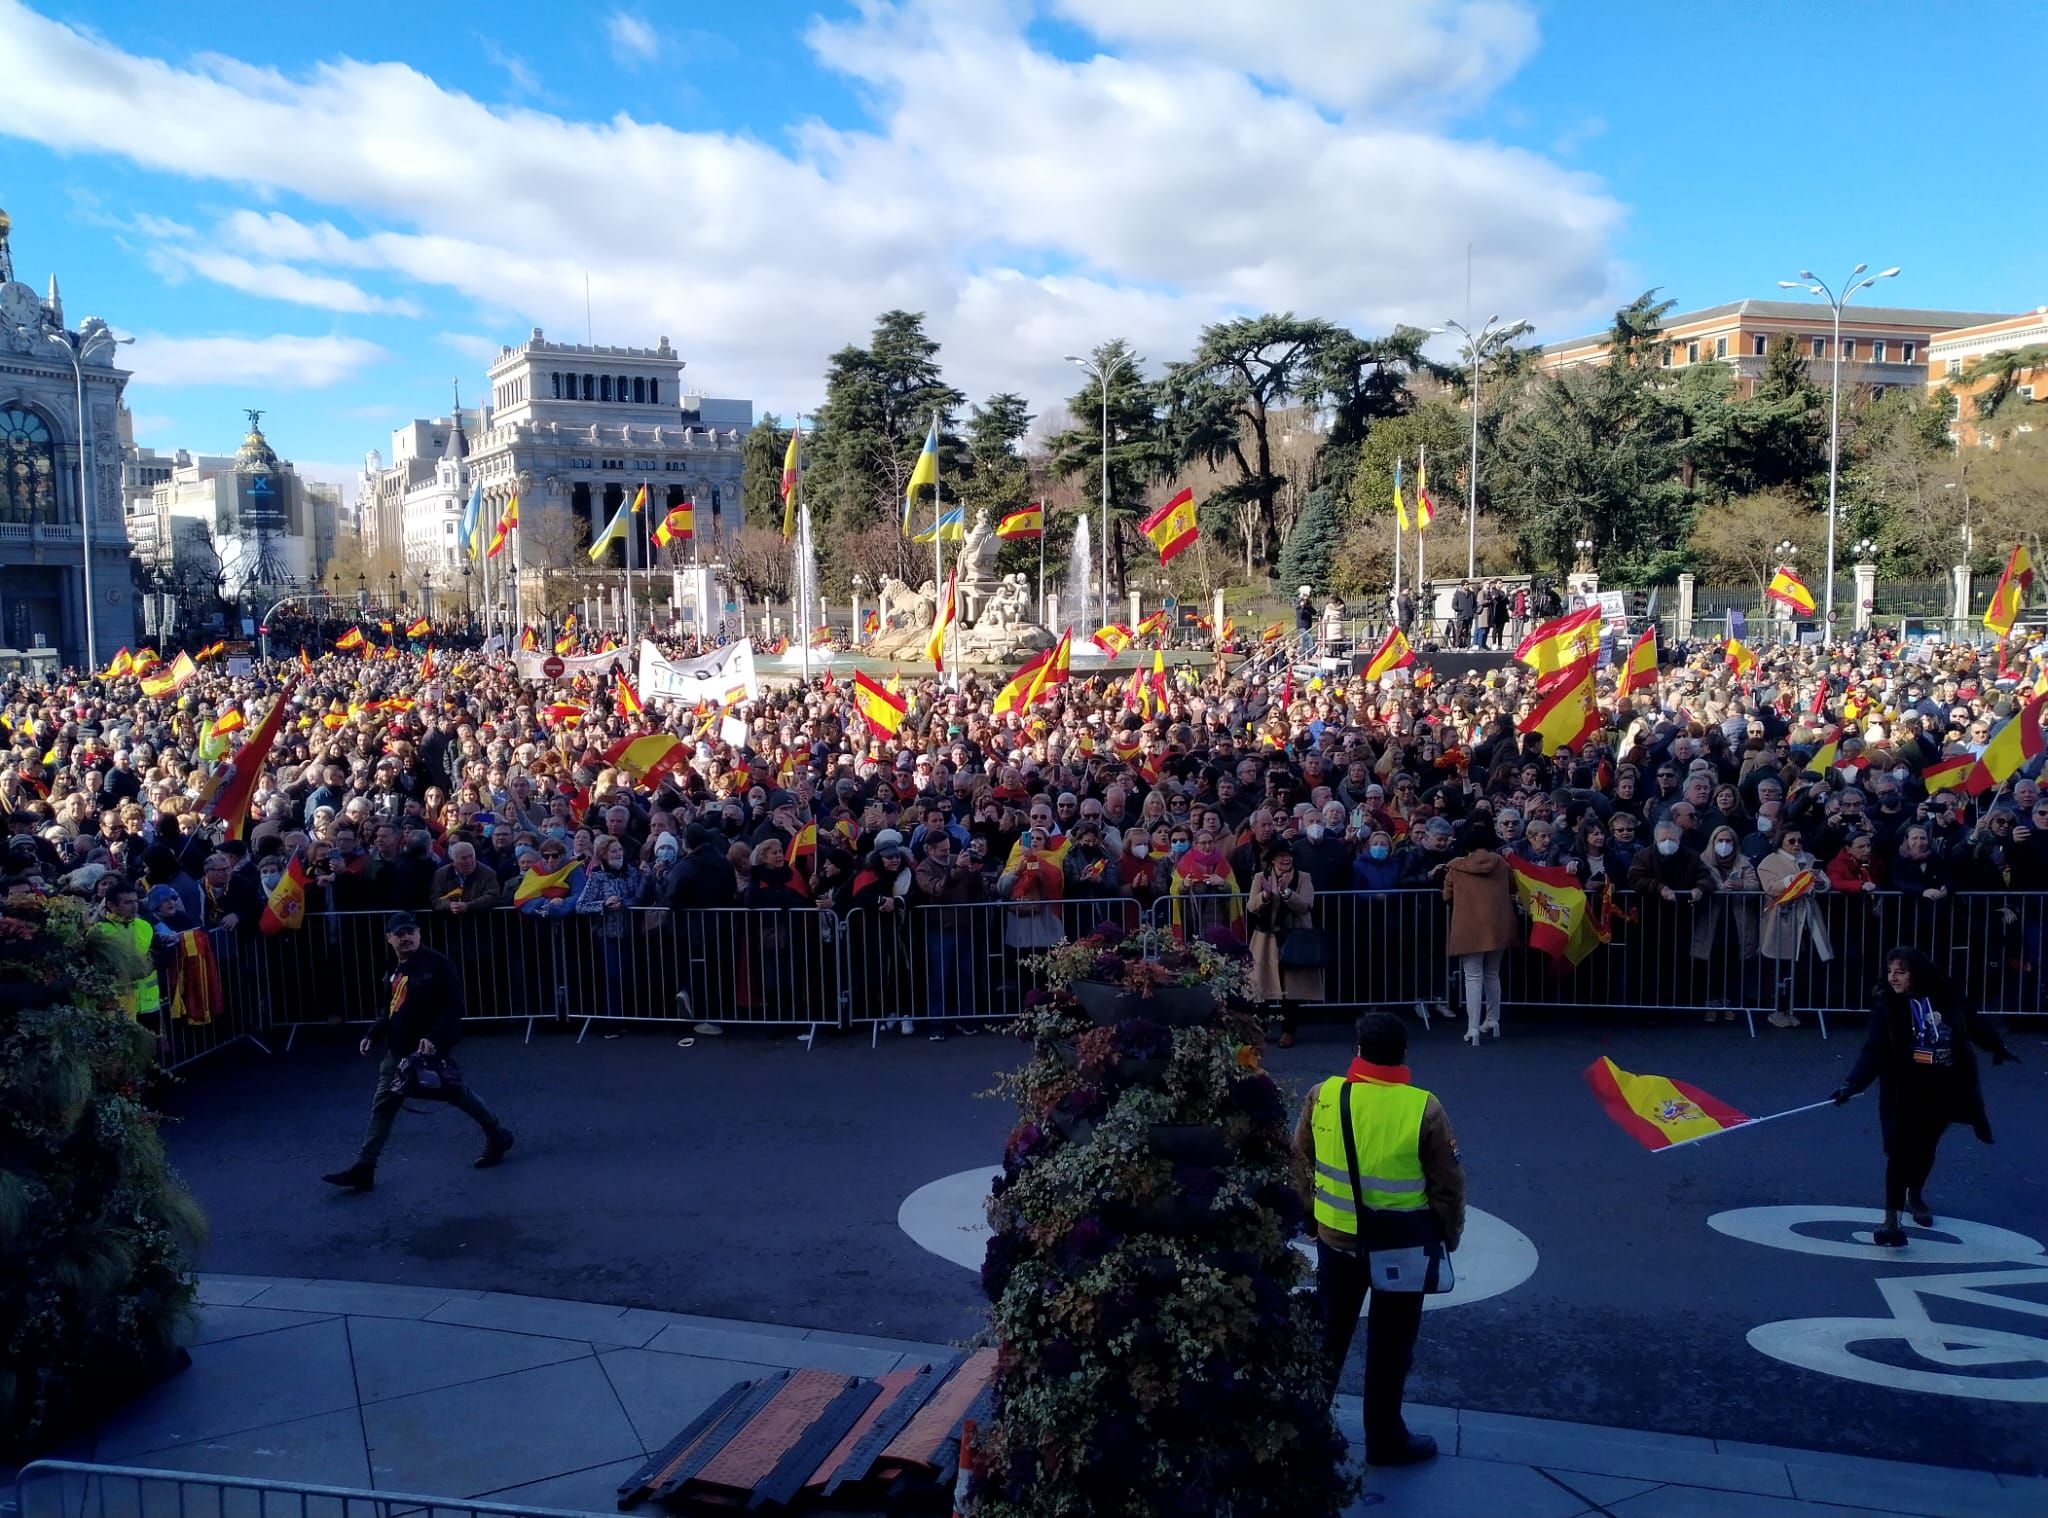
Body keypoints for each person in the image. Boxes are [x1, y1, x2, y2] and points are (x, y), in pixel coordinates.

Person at [1293, 1011, 1463, 1467]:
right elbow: (1447, 1186)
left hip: (1337, 1242)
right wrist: (1448, 1236)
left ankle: (1308, 1433)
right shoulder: (1423, 1108)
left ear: (1357, 1051)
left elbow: (1299, 1164)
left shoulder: (1322, 1096)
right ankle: (1385, 1439)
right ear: (1403, 1055)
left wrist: (1309, 1217)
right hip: (1403, 1249)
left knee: (1329, 1338)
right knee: (1391, 1346)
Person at [1832, 948, 2018, 1247]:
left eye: (1901, 971)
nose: (1893, 977)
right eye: (1890, 970)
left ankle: (1915, 1193)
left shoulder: (1945, 993)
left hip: (1941, 1083)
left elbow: (1972, 1022)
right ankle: (1891, 1219)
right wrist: (1851, 1084)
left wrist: (1996, 1047)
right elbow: (1874, 1049)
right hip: (1903, 1087)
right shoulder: (1887, 1005)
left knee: (1926, 1147)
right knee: (1899, 1151)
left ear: (1916, 973)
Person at [322, 911, 514, 1191]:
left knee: (455, 1093)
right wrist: (374, 1032)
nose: (405, 938)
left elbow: (455, 1006)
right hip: (397, 1050)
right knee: (384, 1105)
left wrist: (435, 1038)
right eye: (399, 934)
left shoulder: (438, 964)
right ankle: (365, 1166)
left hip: (429, 1049)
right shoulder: (394, 970)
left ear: (419, 934)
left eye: (410, 932)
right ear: (389, 938)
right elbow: (390, 1008)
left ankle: (497, 1134)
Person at [1443, 840, 1516, 1045]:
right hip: (1498, 926)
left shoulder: (1456, 866)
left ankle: (1472, 1027)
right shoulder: (1501, 863)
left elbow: (1447, 895)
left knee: (1473, 977)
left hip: (1469, 927)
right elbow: (1512, 886)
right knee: (1493, 974)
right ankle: (1493, 1020)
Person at [1247, 842, 1319, 1047]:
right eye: (1281, 856)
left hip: (1293, 936)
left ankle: (1289, 1031)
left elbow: (1306, 906)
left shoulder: (1303, 877)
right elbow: (1251, 906)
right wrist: (1266, 895)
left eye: (1288, 855)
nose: (1285, 859)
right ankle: (1261, 1030)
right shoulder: (1260, 878)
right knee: (1262, 987)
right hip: (1266, 937)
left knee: (1291, 988)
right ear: (1272, 859)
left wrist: (1287, 893)